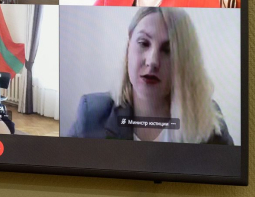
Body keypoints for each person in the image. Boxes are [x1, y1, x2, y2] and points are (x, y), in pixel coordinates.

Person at [68, 7, 233, 144]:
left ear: (185, 61)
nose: (152, 61)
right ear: (128, 48)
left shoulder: (209, 122)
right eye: (143, 43)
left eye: (168, 50)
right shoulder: (91, 115)